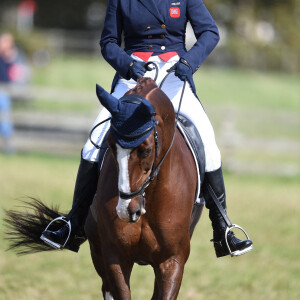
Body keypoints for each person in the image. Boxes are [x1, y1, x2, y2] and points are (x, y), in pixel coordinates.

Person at [41, 0, 253, 257]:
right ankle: (73, 223)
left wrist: (189, 61)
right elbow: (108, 42)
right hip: (134, 75)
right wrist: (127, 66)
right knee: (93, 141)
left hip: (174, 75)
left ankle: (223, 228)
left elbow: (210, 32)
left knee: (208, 144)